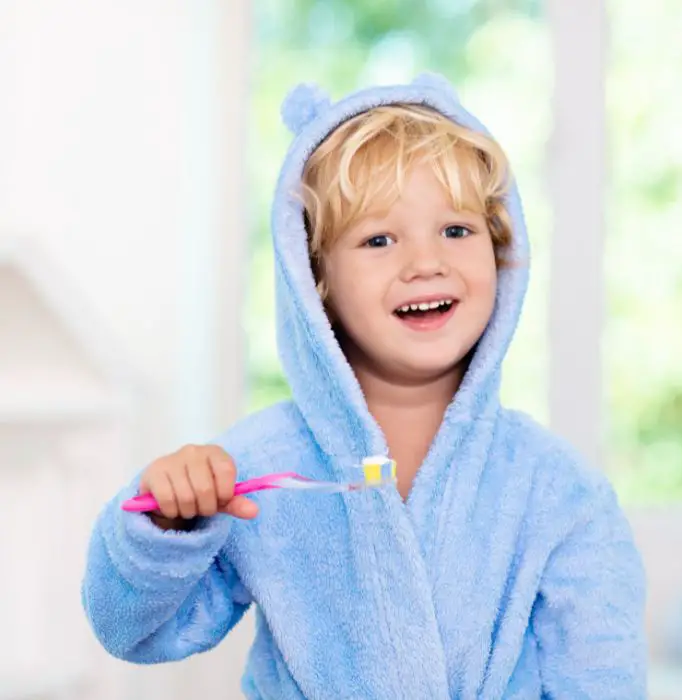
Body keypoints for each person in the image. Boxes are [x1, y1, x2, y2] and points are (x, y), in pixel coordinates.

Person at [81, 73, 647, 699]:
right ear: (313, 281)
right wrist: (166, 525)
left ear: (502, 250)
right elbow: (133, 630)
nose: (426, 262)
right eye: (379, 239)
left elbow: (602, 678)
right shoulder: (257, 469)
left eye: (456, 230)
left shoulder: (556, 491)